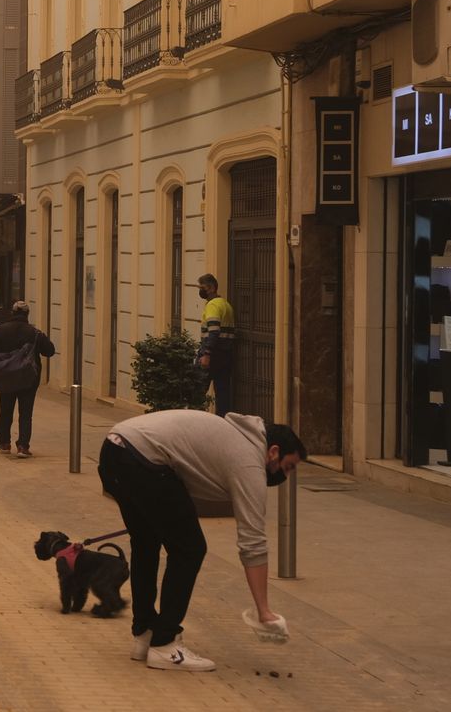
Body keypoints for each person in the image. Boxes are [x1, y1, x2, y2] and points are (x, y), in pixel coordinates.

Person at [94, 409, 306, 672]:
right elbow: (252, 542)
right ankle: (165, 643)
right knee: (190, 549)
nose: (285, 476)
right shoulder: (249, 461)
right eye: (287, 467)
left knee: (146, 542)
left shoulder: (237, 438)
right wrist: (264, 611)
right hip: (143, 460)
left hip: (114, 449)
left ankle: (145, 634)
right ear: (273, 452)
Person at [0, 300, 56, 458]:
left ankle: (4, 442)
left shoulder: (0, 331)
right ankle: (23, 446)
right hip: (28, 379)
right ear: (27, 315)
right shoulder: (34, 333)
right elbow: (50, 351)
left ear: (12, 313)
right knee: (26, 412)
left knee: (6, 410)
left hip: (6, 377)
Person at [195, 274, 237, 416]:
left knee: (197, 391)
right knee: (223, 394)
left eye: (202, 288)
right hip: (225, 355)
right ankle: (222, 423)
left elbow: (214, 332)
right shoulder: (226, 305)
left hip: (212, 355)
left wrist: (206, 354)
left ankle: (195, 423)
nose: (200, 291)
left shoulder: (212, 305)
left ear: (212, 288)